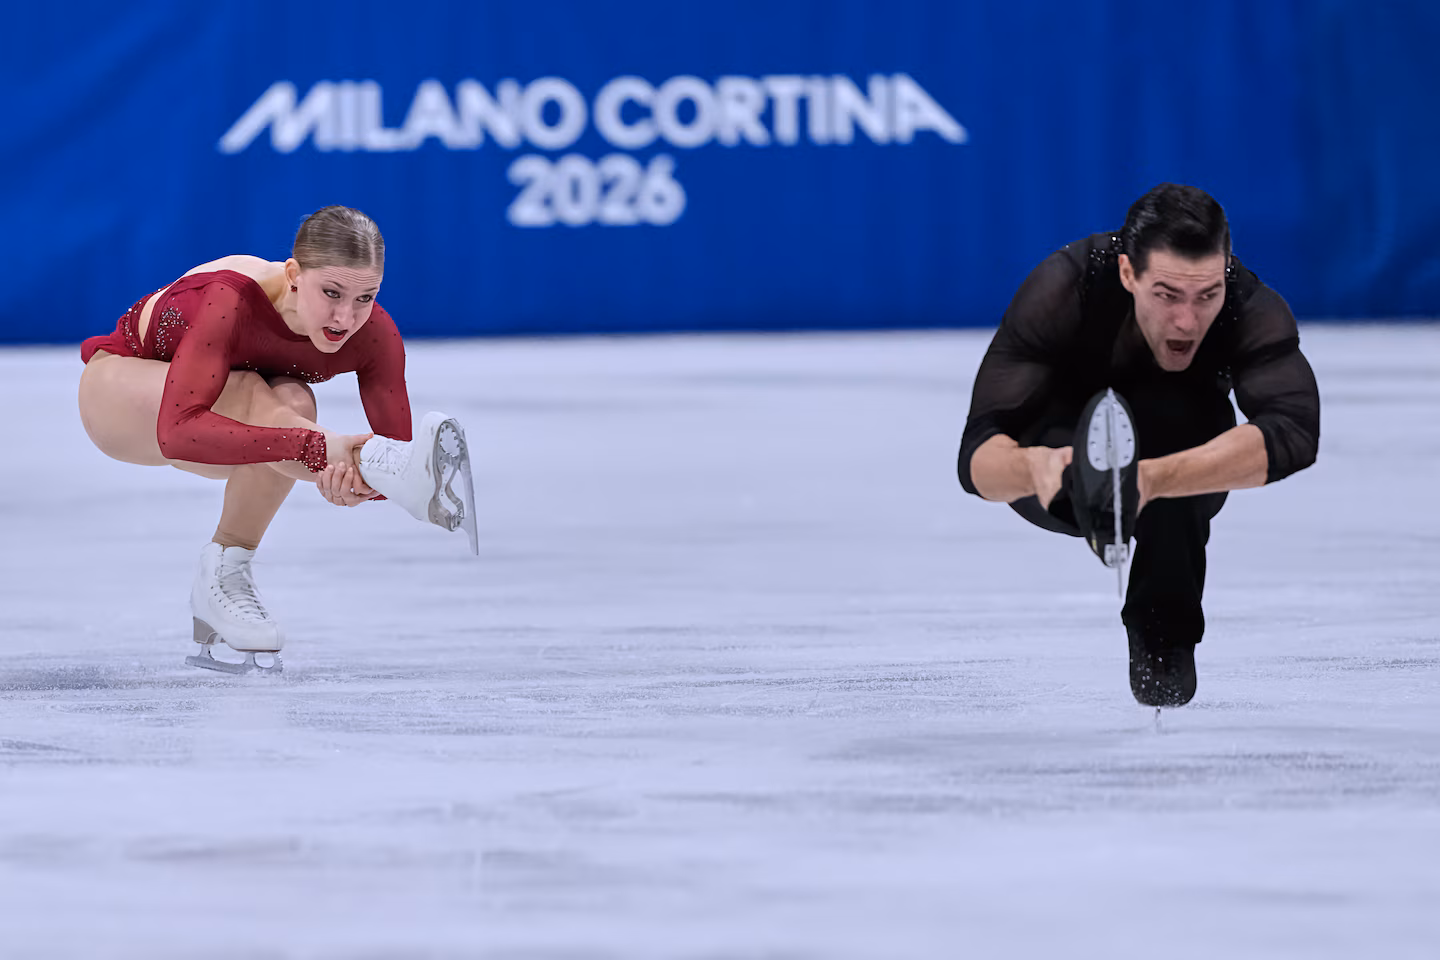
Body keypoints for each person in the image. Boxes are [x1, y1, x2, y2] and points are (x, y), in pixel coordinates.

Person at [956, 184, 1320, 707]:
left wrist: (1148, 480)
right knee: (1072, 446)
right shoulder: (1067, 285)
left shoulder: (1246, 302)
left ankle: (1163, 635)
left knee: (1189, 427)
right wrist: (1032, 469)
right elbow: (977, 455)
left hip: (1181, 442)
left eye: (1206, 296)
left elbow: (1295, 430)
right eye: (1167, 295)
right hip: (1059, 442)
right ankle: (1098, 501)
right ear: (1129, 273)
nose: (1187, 320)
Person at [77, 205, 477, 674]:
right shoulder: (229, 299)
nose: (346, 316)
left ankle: (224, 572)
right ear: (293, 274)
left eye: (365, 297)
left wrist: (357, 483)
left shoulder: (373, 333)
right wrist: (319, 452)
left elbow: (402, 462)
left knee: (296, 402)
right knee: (255, 393)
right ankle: (349, 453)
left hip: (229, 416)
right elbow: (178, 431)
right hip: (123, 394)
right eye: (331, 293)